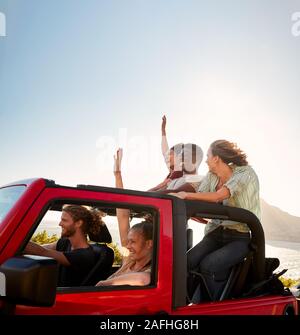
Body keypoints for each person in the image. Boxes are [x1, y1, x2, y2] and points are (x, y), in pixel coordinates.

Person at [170, 139, 261, 302]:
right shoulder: (212, 176)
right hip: (215, 233)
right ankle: (184, 302)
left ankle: (208, 306)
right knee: (187, 261)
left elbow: (220, 195)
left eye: (208, 156)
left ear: (216, 158)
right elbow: (202, 198)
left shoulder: (245, 173)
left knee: (209, 265)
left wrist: (186, 195)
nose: (205, 160)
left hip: (239, 237)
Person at [96, 149, 153, 287]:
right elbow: (122, 216)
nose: (127, 246)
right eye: (128, 241)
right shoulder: (129, 261)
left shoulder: (150, 270)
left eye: (132, 242)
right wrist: (117, 175)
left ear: (149, 243)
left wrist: (105, 284)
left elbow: (143, 280)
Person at [24, 205, 108, 287]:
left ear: (78, 223)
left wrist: (17, 239)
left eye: (64, 220)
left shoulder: (84, 255)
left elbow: (42, 252)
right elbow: (41, 248)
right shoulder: (65, 242)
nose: (60, 224)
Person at [149, 115, 203, 192]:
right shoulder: (173, 173)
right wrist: (163, 131)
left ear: (178, 156)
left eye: (171, 154)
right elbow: (165, 151)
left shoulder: (180, 172)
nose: (167, 156)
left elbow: (163, 191)